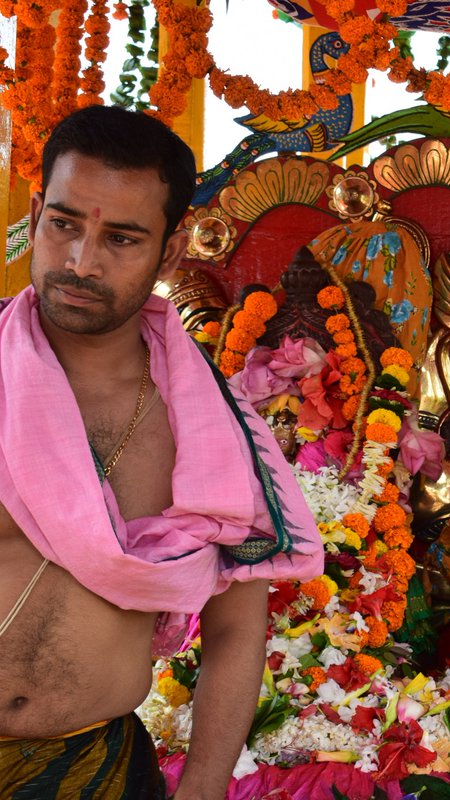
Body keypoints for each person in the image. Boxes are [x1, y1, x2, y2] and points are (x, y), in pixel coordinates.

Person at [0, 107, 323, 798]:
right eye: (63, 224)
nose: (80, 262)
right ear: (36, 212)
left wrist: (203, 789)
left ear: (171, 253)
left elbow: (237, 629)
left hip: (94, 772)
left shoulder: (208, 424)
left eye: (120, 238)